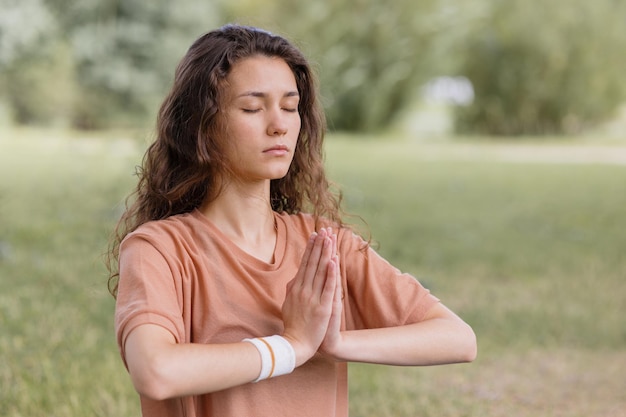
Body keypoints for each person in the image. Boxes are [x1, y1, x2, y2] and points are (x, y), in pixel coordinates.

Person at [107, 24, 476, 417]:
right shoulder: (159, 250)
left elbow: (457, 339)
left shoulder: (323, 244)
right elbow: (156, 372)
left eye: (289, 106)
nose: (279, 124)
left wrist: (333, 343)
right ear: (202, 125)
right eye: (252, 108)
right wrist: (292, 346)